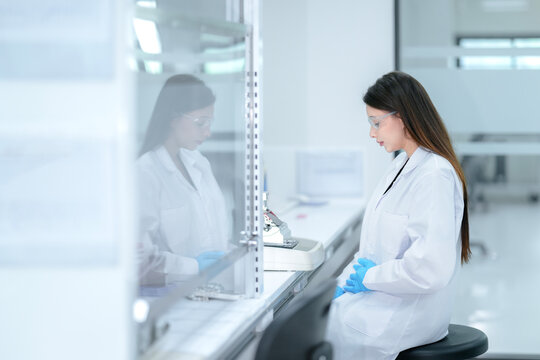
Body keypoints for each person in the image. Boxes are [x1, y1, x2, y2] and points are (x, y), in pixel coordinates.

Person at [327, 71, 470, 360]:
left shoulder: (434, 174)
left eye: (376, 122)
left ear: (402, 117)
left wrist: (370, 278)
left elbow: (429, 268)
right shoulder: (402, 165)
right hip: (386, 296)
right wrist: (347, 282)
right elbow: (373, 248)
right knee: (323, 320)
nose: (372, 132)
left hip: (409, 314)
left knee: (320, 331)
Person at [137, 74, 228, 285]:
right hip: (171, 297)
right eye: (201, 123)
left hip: (210, 288)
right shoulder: (145, 173)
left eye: (210, 122)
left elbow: (216, 234)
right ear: (172, 118)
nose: (208, 132)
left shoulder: (199, 163)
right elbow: (139, 262)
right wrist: (193, 267)